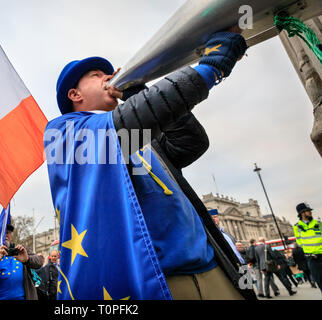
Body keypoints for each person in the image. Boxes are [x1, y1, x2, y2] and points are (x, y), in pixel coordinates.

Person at [45, 30, 256, 300]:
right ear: (75, 94)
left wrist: (135, 92)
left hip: (210, 268)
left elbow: (190, 142)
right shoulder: (65, 133)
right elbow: (136, 116)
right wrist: (211, 67)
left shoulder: (137, 133)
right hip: (155, 280)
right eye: (97, 75)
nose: (108, 77)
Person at [0, 224, 43, 300]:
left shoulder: (20, 250)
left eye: (7, 233)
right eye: (2, 233)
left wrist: (27, 259)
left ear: (11, 236)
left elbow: (39, 262)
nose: (5, 235)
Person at [293, 202, 322, 293]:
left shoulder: (318, 223)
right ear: (302, 213)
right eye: (308, 211)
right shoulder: (296, 227)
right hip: (312, 259)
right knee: (320, 282)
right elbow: (299, 241)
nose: (310, 212)